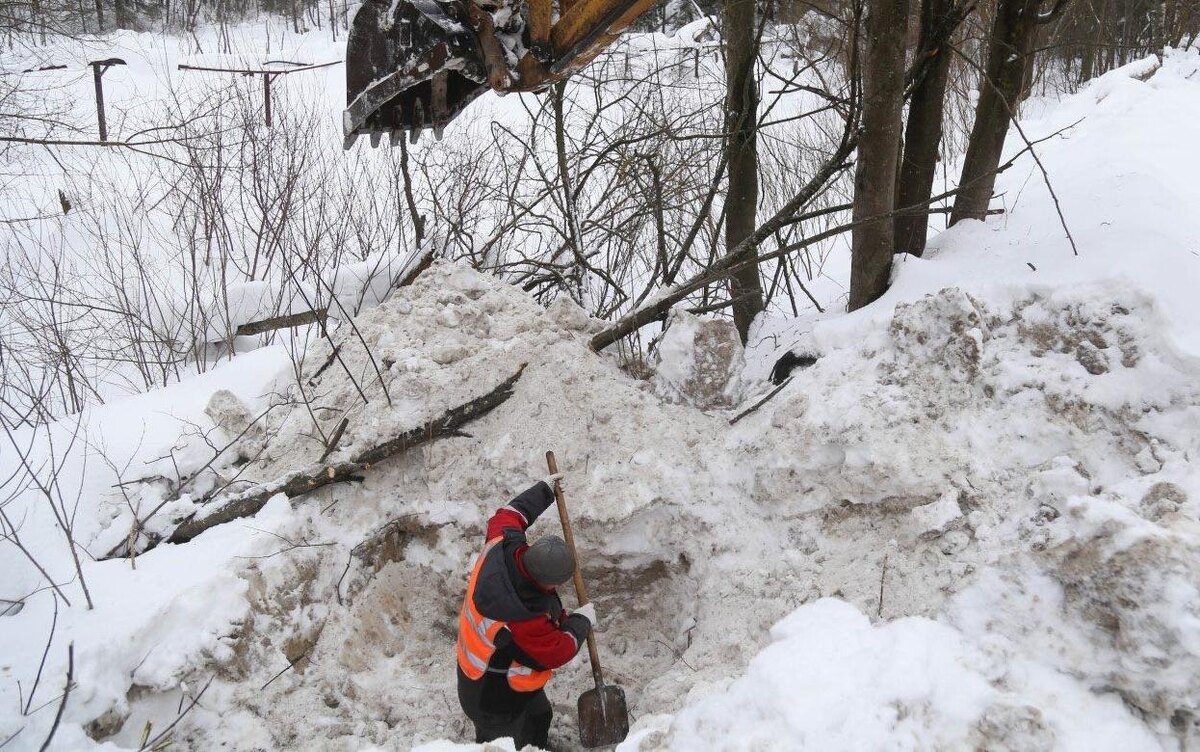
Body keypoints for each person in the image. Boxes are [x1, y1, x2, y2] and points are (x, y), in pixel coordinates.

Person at [456, 474, 598, 748]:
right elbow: (556, 651)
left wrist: (544, 490)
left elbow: (510, 514)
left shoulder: (503, 544)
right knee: (508, 743)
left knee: (539, 716)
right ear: (545, 581)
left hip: (502, 674)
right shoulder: (522, 616)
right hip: (491, 697)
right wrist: (580, 622)